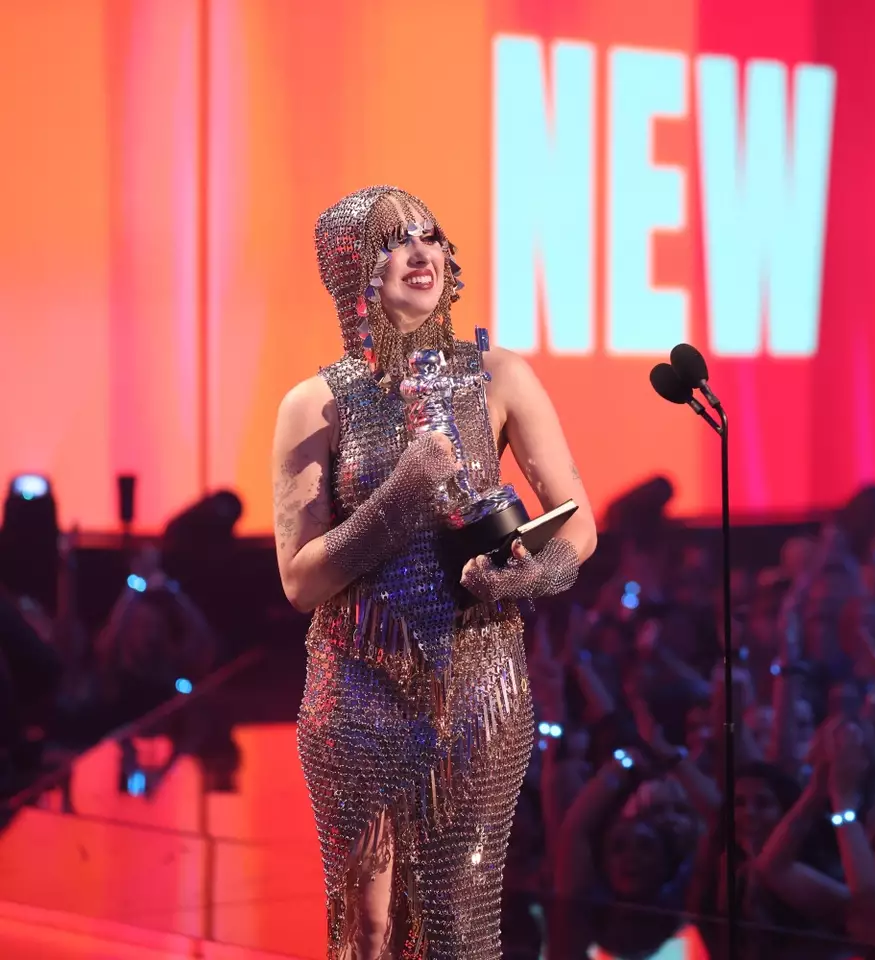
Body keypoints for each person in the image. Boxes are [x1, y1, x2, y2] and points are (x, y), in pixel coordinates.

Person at [272, 185, 596, 959]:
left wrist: (530, 578)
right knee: (370, 928)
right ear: (351, 269)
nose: (421, 253)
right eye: (393, 241)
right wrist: (403, 491)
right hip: (356, 684)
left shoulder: (501, 376)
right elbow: (300, 581)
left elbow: (577, 523)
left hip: (481, 679)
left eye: (431, 235)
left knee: (456, 920)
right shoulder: (315, 404)